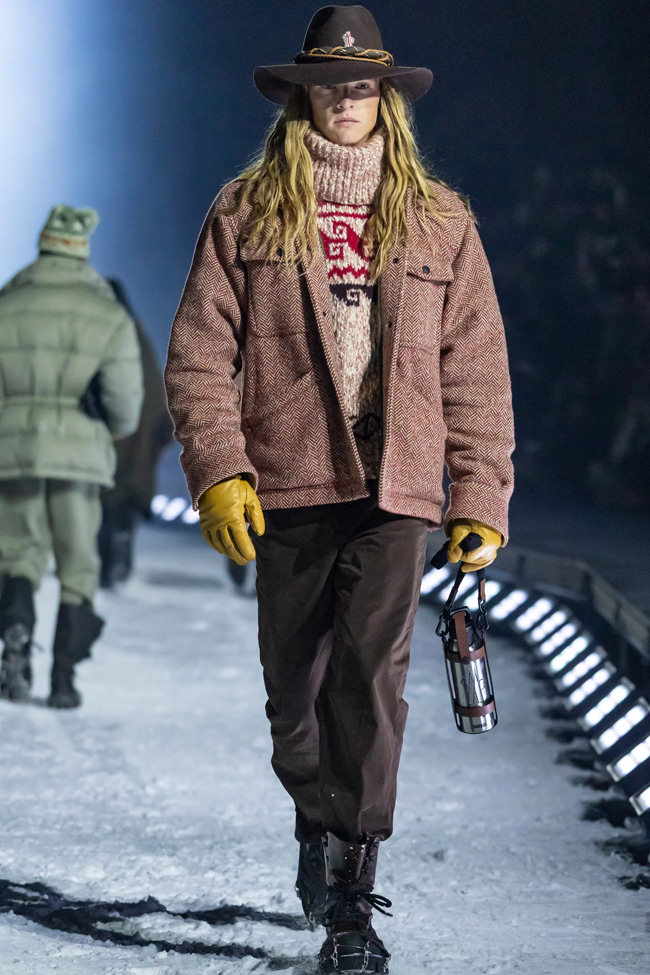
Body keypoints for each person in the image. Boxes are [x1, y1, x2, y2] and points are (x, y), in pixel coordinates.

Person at [165, 6, 514, 972]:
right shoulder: (246, 211)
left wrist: (480, 496)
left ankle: (354, 898)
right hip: (290, 483)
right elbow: (199, 356)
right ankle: (315, 823)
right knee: (296, 697)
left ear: (386, 97)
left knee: (372, 684)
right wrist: (219, 469)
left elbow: (476, 368)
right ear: (304, 97)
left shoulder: (441, 218)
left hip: (398, 488)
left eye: (362, 84)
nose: (347, 98)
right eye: (330, 84)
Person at [0, 206, 143, 708]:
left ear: (43, 247)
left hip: (13, 450)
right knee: (78, 562)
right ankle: (63, 679)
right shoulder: (108, 314)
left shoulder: (6, 304)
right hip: (80, 455)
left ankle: (16, 627)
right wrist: (110, 427)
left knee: (17, 552)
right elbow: (125, 404)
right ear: (81, 250)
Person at [98, 278, 173, 588]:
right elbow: (156, 391)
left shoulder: (101, 333)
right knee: (123, 505)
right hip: (139, 441)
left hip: (109, 436)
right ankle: (120, 553)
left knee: (102, 504)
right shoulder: (138, 335)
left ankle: (107, 565)